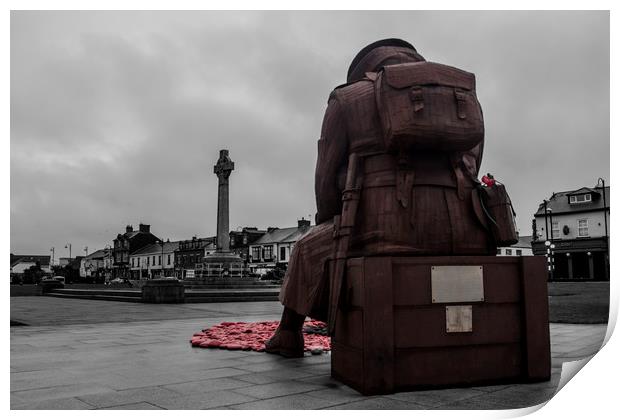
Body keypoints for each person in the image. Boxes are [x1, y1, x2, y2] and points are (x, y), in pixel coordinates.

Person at [265, 39, 495, 357]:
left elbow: (326, 177)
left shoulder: (347, 98)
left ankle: (288, 334)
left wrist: (329, 219)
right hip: (468, 230)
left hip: (384, 231)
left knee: (306, 247)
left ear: (366, 68)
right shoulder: (463, 100)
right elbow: (474, 164)